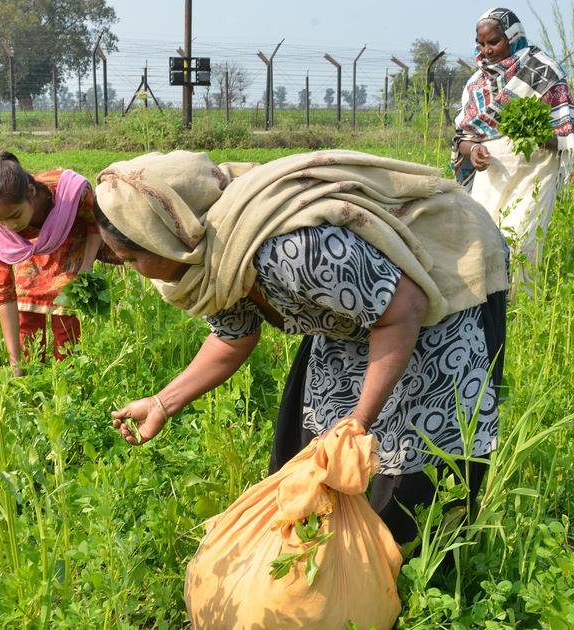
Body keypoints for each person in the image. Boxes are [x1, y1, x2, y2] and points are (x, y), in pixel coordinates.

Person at [95, 149, 509, 543]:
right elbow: (232, 337)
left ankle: (413, 583)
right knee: (317, 457)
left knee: (409, 470)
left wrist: (358, 423)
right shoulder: (213, 264)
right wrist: (163, 403)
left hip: (439, 291)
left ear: (168, 236)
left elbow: (404, 310)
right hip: (361, 312)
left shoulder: (290, 248)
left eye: (132, 259)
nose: (133, 272)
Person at [450, 7, 574, 288]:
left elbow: (566, 135)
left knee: (522, 242)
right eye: (481, 44)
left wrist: (535, 134)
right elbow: (461, 136)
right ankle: (487, 307)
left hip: (534, 175)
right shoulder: (476, 82)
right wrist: (473, 151)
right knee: (483, 240)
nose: (487, 50)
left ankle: (520, 309)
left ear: (513, 37)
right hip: (491, 176)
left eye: (494, 42)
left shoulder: (543, 71)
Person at [0, 152, 106, 375]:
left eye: (15, 216)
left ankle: (67, 379)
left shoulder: (69, 196)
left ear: (30, 192)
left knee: (65, 321)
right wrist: (15, 363)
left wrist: (85, 267)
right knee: (27, 315)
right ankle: (31, 375)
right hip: (28, 253)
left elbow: (95, 223)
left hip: (69, 238)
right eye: (1, 220)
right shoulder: (0, 233)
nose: (10, 226)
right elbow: (5, 294)